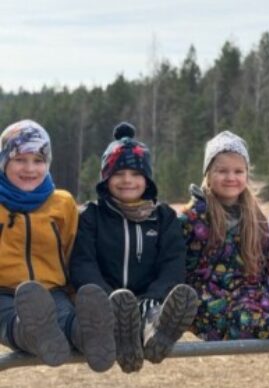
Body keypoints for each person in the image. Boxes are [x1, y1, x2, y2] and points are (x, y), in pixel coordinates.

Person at [179, 131, 269, 360]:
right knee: (245, 316)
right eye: (222, 171)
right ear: (208, 175)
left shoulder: (254, 218)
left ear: (247, 175)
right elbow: (176, 263)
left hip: (248, 293)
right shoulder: (193, 218)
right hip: (206, 300)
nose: (231, 177)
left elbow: (265, 261)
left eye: (238, 171)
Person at [69, 123, 197, 373]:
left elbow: (172, 262)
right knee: (113, 310)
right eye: (118, 174)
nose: (127, 180)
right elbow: (83, 263)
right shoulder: (91, 216)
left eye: (136, 174)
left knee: (156, 312)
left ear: (147, 179)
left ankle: (155, 336)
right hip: (107, 302)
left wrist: (154, 296)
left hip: (150, 300)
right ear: (106, 179)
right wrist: (107, 296)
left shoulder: (163, 217)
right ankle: (123, 334)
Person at [0, 120, 115, 371]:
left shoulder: (61, 203)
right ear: (4, 161)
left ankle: (91, 337)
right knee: (13, 322)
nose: (30, 168)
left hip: (52, 290)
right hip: (2, 292)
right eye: (20, 159)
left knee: (65, 319)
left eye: (39, 160)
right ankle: (31, 334)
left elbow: (72, 250)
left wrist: (76, 293)